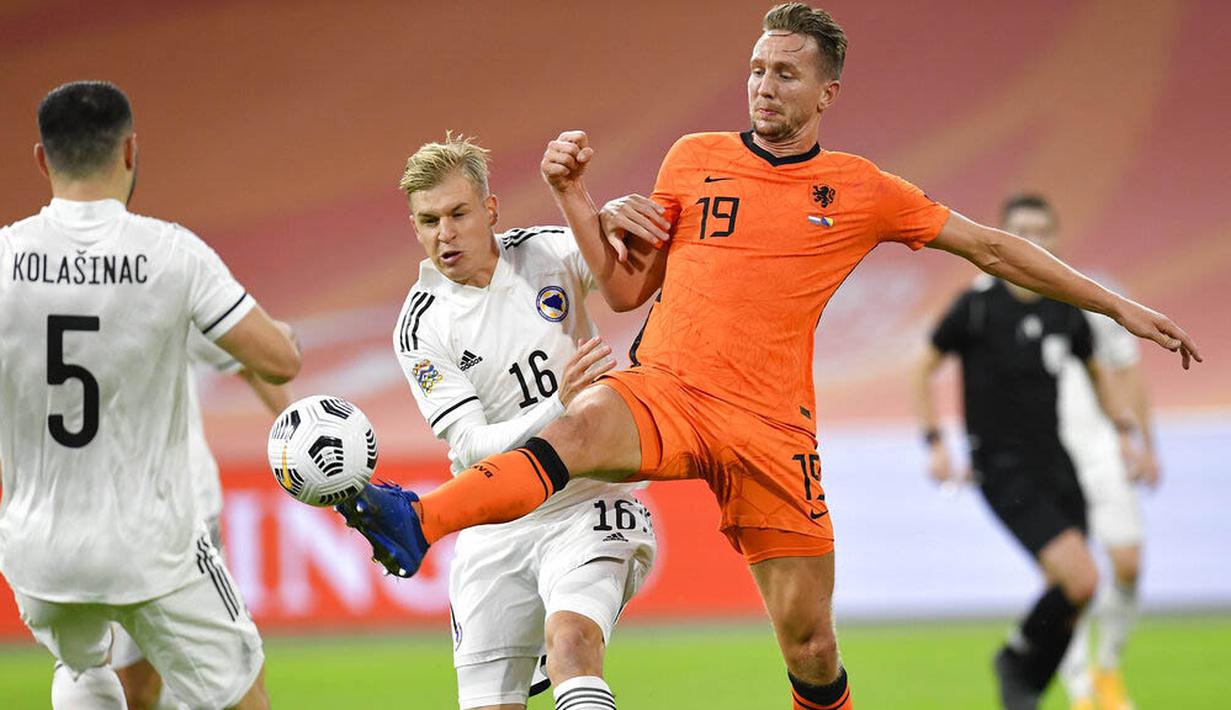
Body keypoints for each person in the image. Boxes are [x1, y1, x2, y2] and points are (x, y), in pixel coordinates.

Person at [335, 5, 1199, 709]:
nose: (762, 86)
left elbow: (991, 249)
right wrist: (575, 196)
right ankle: (420, 521)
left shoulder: (863, 190)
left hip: (770, 430)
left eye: (784, 73)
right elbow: (628, 290)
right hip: (668, 385)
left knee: (811, 647)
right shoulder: (694, 160)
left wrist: (1115, 302)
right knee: (584, 421)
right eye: (755, 68)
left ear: (826, 91)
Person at [0, 81, 300, 710]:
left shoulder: (3, 259)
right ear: (131, 150)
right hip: (151, 541)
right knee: (243, 695)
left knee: (84, 672)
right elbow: (278, 360)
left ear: (41, 159)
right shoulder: (171, 255)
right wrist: (281, 336)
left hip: (40, 552)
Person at [384, 134, 656, 710]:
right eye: (428, 220)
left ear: (490, 209)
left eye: (458, 213)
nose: (445, 233)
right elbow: (472, 451)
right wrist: (556, 405)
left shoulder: (546, 252)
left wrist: (612, 214)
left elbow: (620, 262)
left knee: (573, 643)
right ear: (414, 227)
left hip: (587, 500)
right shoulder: (423, 326)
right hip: (497, 524)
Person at [913, 191, 1152, 708]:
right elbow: (923, 369)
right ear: (1000, 235)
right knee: (1081, 577)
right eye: (1018, 230)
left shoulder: (1067, 309)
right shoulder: (975, 306)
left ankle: (1033, 682)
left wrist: (1126, 435)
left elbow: (1098, 375)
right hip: (1002, 466)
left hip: (1057, 460)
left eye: (1040, 231)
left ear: (1054, 239)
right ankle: (1022, 663)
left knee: (1074, 591)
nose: (1029, 240)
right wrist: (935, 443)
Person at [113, 329, 292, 710]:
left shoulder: (168, 280)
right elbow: (280, 355)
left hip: (187, 513)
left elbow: (252, 358)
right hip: (111, 519)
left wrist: (301, 430)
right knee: (134, 689)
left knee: (236, 673)